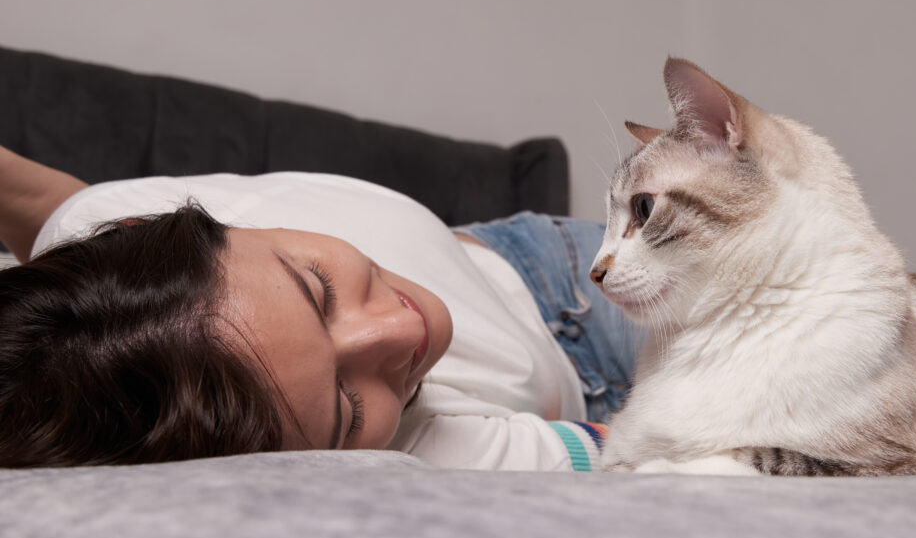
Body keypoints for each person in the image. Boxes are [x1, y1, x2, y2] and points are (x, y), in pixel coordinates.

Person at [0, 145, 645, 470]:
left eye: (318, 290)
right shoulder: (411, 455)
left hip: (535, 253)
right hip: (589, 367)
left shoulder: (105, 224)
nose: (401, 328)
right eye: (349, 405)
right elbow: (634, 456)